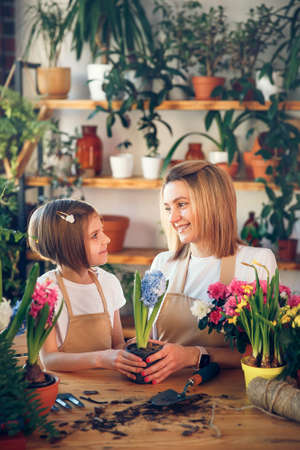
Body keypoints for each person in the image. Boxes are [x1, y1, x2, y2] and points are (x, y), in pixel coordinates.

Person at [140, 160, 277, 384]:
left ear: (213, 203)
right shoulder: (161, 264)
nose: (173, 218)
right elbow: (149, 340)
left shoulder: (256, 262)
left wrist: (193, 355)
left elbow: (265, 355)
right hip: (164, 391)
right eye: (168, 208)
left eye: (181, 204)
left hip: (233, 396)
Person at [28, 199, 146, 380]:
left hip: (110, 384)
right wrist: (100, 359)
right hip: (68, 387)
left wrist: (135, 350)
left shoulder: (109, 283)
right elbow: (49, 359)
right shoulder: (45, 289)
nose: (107, 239)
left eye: (103, 231)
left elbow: (117, 344)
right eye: (95, 235)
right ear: (69, 244)